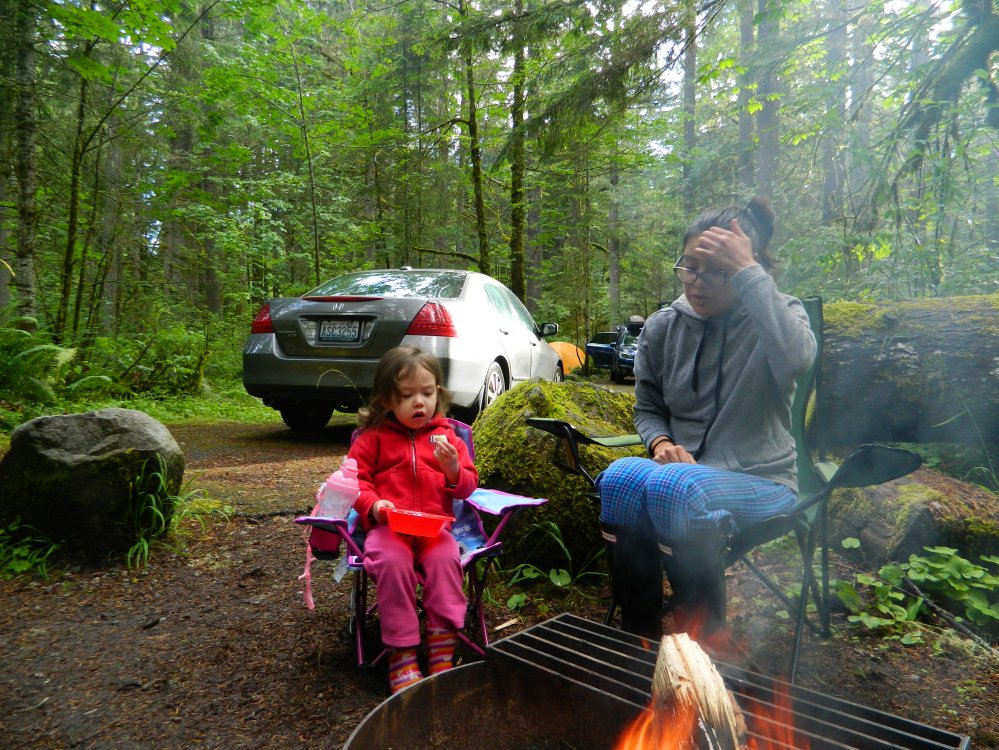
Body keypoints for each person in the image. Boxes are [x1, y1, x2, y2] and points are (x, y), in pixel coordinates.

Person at [596, 196, 817, 638]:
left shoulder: (780, 316)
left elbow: (797, 359)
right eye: (690, 266)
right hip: (679, 481)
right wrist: (660, 444)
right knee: (620, 477)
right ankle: (639, 637)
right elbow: (648, 407)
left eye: (718, 271)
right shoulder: (663, 326)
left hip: (765, 481)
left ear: (748, 270)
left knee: (674, 486)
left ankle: (703, 643)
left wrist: (750, 273)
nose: (698, 282)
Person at [348, 345, 479, 693]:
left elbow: (467, 486)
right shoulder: (372, 438)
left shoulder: (448, 437)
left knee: (445, 560)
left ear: (439, 391)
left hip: (433, 530)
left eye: (427, 392)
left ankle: (441, 647)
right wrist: (375, 506)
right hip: (389, 529)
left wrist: (452, 469)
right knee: (390, 563)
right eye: (407, 395)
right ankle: (402, 652)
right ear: (387, 399)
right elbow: (354, 482)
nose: (419, 402)